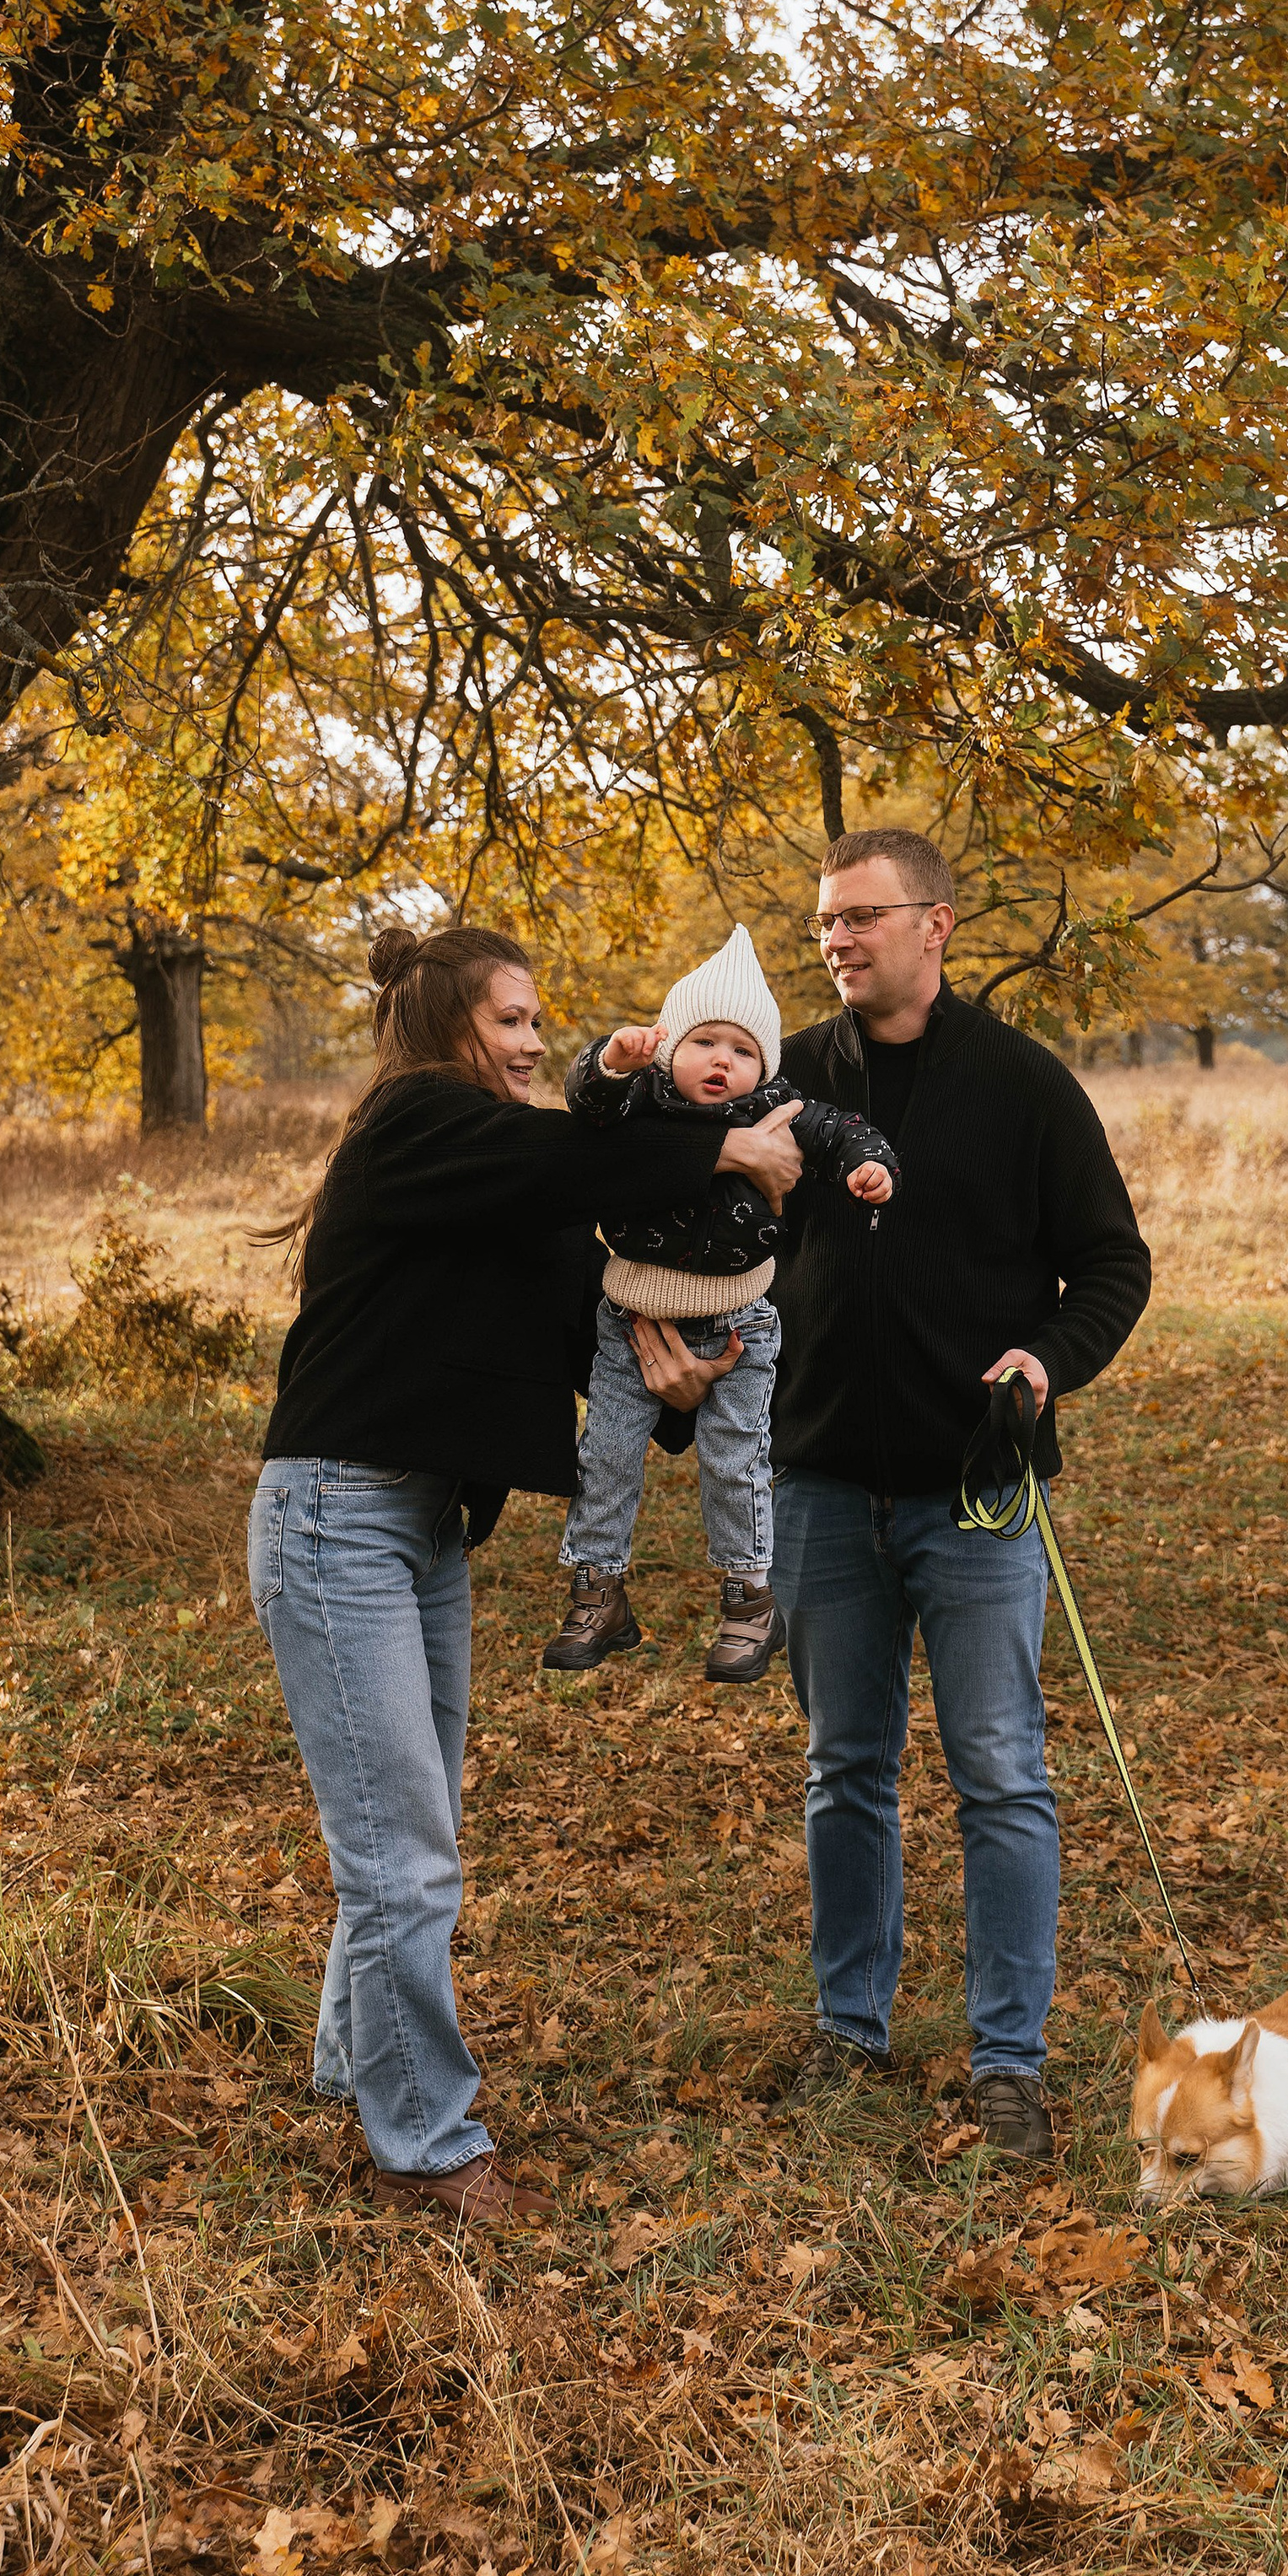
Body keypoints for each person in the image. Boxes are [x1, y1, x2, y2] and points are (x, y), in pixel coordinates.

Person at [247, 922, 802, 2224]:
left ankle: (353, 2074)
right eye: (510, 1019)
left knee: (405, 1835)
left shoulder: (504, 1179)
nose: (535, 1041)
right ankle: (428, 2147)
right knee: (404, 1856)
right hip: (336, 1519)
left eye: (537, 1021)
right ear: (446, 1026)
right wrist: (724, 1141)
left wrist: (676, 1381)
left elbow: (598, 1319)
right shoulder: (418, 1125)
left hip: (423, 1528)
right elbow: (566, 1157)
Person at [638, 829, 1151, 2165]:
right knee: (844, 1769)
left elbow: (1112, 1264)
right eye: (824, 922)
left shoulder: (1024, 1085)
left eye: (861, 917)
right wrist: (680, 1363)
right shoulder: (784, 1078)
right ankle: (848, 2031)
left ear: (936, 925)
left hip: (974, 1492)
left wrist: (1048, 1359)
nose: (836, 940)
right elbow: (701, 1238)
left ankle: (1009, 2061)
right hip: (814, 1484)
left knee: (1002, 1776)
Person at [540, 923, 898, 1685]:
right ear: (671, 1046)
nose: (722, 1061)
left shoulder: (780, 1109)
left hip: (738, 1319)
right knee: (605, 1456)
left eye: (742, 1050)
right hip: (631, 1318)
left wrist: (869, 1166)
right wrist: (610, 1061)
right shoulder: (640, 1099)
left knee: (735, 1464)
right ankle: (597, 1589)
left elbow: (844, 1131)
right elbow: (586, 1106)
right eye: (705, 1042)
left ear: (763, 1066)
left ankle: (749, 1599)